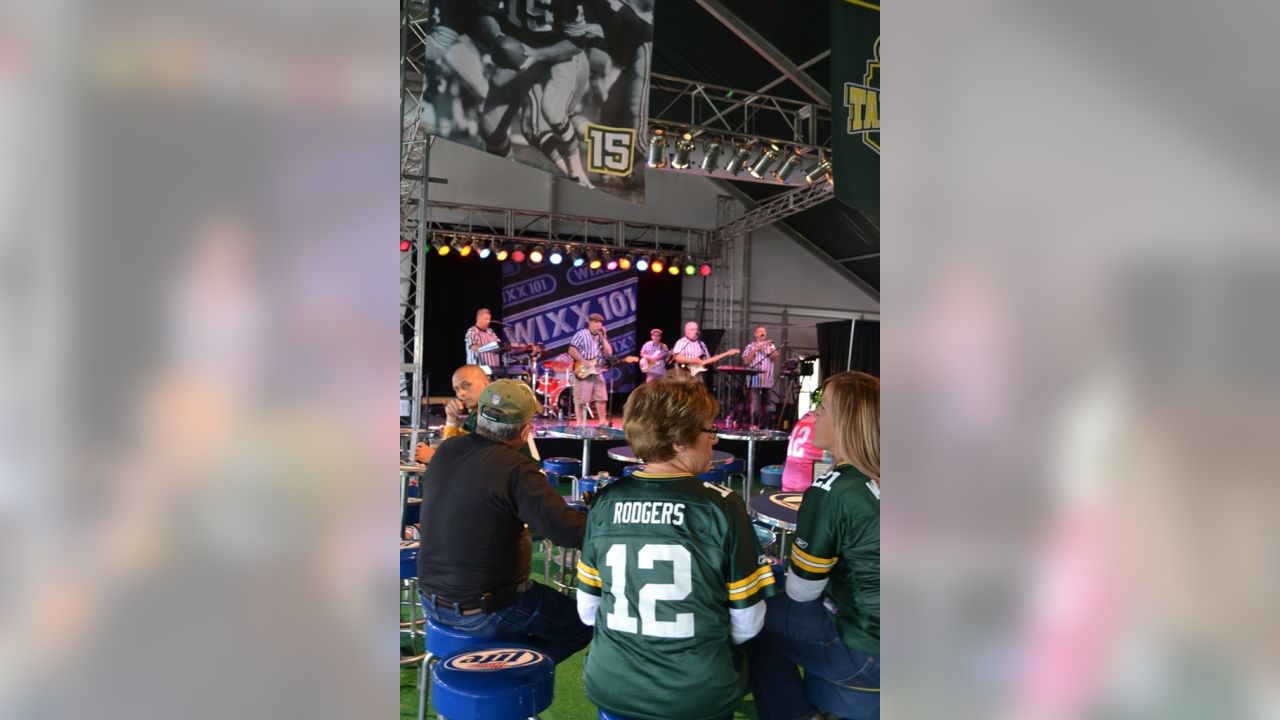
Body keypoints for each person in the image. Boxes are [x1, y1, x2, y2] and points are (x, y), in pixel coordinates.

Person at [577, 379, 776, 719]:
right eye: (708, 429)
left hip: (612, 686)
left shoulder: (605, 502)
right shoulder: (722, 506)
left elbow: (588, 612)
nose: (714, 438)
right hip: (696, 694)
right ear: (681, 441)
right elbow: (748, 623)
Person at [417, 379, 592, 663]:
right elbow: (569, 533)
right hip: (485, 610)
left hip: (431, 601)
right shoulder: (516, 469)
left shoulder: (447, 450)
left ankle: (502, 663)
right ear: (525, 430)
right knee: (584, 623)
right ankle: (510, 669)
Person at [746, 371, 881, 720]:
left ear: (847, 421)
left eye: (824, 407)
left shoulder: (833, 489)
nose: (814, 414)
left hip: (870, 653)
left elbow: (802, 592)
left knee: (756, 618)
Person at [417, 364, 537, 461]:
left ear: (486, 384)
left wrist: (436, 458)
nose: (461, 394)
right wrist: (452, 419)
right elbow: (459, 448)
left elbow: (479, 461)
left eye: (467, 385)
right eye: (457, 389)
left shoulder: (499, 417)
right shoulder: (475, 415)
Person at [566, 313, 614, 426]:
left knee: (601, 397)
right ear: (590, 323)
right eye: (596, 323)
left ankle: (602, 422)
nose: (598, 326)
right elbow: (571, 350)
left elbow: (608, 352)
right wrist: (584, 361)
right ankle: (579, 423)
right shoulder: (581, 334)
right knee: (581, 398)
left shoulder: (599, 337)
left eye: (600, 324)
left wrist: (603, 337)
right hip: (583, 369)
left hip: (596, 371)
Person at [741, 326, 780, 428]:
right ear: (755, 334)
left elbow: (775, 357)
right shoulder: (750, 346)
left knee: (767, 405)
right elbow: (746, 361)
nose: (763, 333)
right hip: (755, 380)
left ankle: (766, 426)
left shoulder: (770, 345)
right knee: (755, 404)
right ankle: (754, 425)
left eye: (764, 332)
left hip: (767, 380)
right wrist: (755, 350)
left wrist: (769, 348)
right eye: (760, 331)